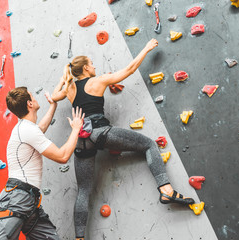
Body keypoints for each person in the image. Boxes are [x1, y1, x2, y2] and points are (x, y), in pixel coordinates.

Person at [51, 39, 195, 240]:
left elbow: (53, 97)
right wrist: (145, 48)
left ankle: (79, 237)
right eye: (91, 63)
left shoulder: (70, 90)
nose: (94, 66)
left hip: (81, 139)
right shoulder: (97, 81)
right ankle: (166, 190)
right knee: (148, 145)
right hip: (100, 131)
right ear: (85, 68)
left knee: (83, 189)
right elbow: (129, 69)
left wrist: (65, 79)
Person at [0, 87, 84, 240]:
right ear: (30, 104)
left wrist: (53, 106)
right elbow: (63, 156)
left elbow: (40, 130)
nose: (35, 98)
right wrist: (76, 129)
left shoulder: (26, 129)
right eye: (33, 96)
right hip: (17, 198)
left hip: (28, 200)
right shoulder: (27, 130)